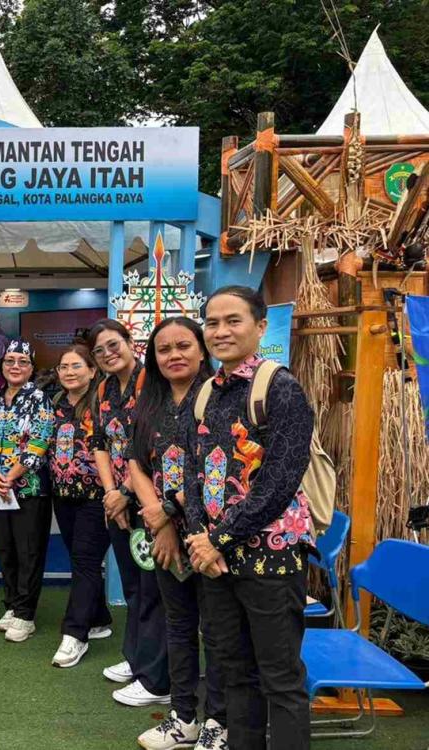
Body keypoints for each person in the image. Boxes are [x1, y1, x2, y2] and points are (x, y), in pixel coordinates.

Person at [184, 286, 314, 750]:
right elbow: (192, 473)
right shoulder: (206, 392)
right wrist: (199, 538)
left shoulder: (280, 388)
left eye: (233, 320)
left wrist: (216, 539)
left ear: (260, 327)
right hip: (215, 562)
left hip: (270, 559)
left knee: (281, 679)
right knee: (233, 672)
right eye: (212, 322)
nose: (220, 331)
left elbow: (279, 482)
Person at [128, 318, 228, 750]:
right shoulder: (150, 404)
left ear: (203, 349)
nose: (174, 355)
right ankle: (183, 717)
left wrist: (168, 514)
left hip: (214, 537)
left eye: (183, 345)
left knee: (218, 632)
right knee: (179, 625)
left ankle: (219, 722)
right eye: (164, 349)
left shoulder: (219, 399)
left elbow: (213, 469)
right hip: (165, 535)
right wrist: (160, 520)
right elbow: (135, 463)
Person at [91, 319, 171, 707]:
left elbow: (155, 445)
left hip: (153, 501)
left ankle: (157, 679)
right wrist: (111, 493)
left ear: (129, 341)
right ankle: (137, 657)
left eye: (113, 344)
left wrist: (125, 493)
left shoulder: (153, 383)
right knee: (133, 585)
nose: (108, 354)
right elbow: (100, 443)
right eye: (99, 351)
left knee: (155, 589)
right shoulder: (103, 389)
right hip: (118, 502)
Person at [0, 340, 54, 643]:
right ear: (1, 365)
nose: (15, 366)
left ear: (32, 367)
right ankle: (11, 604)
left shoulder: (40, 399)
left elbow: (40, 441)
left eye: (23, 361)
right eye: (9, 360)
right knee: (5, 549)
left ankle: (25, 614)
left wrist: (10, 476)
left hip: (30, 489)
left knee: (28, 552)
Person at [48, 345, 113, 668]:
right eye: (64, 367)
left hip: (96, 496)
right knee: (80, 559)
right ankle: (99, 618)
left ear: (92, 370)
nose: (69, 372)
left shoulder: (103, 404)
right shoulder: (56, 403)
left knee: (86, 560)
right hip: (63, 495)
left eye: (76, 366)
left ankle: (75, 634)